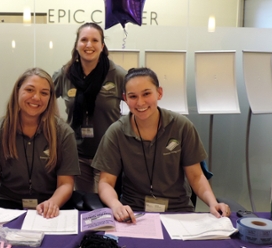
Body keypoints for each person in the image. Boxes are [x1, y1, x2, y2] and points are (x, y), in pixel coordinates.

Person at [92, 67, 231, 223]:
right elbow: (105, 182)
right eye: (133, 96)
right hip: (134, 213)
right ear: (125, 98)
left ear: (159, 93)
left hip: (179, 212)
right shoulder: (116, 132)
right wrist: (116, 205)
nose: (140, 102)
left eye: (146, 94)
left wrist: (213, 203)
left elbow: (196, 176)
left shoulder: (181, 126)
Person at [0, 68, 80, 219]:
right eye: (29, 90)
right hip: (7, 204)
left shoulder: (64, 133)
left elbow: (66, 184)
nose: (36, 97)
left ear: (50, 98)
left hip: (48, 206)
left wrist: (53, 202)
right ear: (17, 91)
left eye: (44, 93)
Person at [53, 22, 127, 193]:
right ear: (77, 44)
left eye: (95, 40)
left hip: (108, 156)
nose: (89, 45)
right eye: (84, 40)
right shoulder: (65, 74)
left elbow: (138, 103)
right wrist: (56, 127)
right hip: (76, 154)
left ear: (102, 46)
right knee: (83, 205)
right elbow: (44, 98)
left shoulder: (117, 74)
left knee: (102, 207)